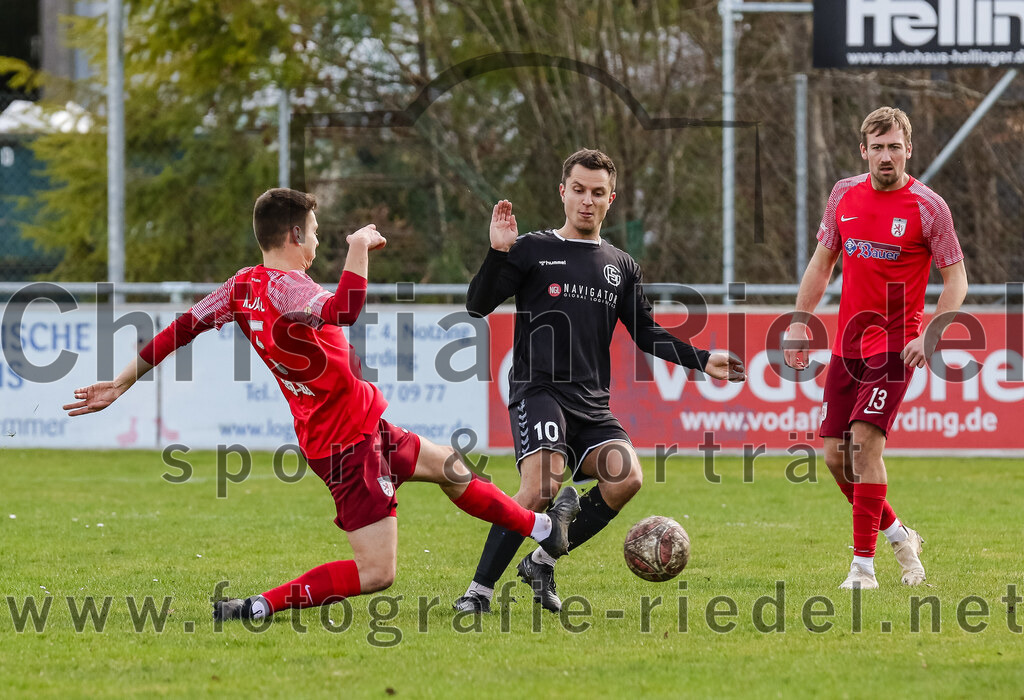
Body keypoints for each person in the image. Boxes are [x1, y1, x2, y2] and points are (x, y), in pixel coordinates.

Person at [63, 187, 580, 620]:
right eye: (312, 232)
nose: (315, 241)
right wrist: (357, 246)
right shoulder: (288, 289)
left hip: (359, 425)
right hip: (347, 446)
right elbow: (345, 309)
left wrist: (120, 382)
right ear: (294, 236)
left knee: (450, 467)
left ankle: (541, 528)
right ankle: (260, 606)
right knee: (378, 572)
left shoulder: (242, 287)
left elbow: (181, 329)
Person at [453, 149, 746, 614]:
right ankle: (479, 592)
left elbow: (646, 333)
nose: (586, 201)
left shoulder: (621, 266)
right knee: (540, 489)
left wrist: (703, 359)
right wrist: (497, 252)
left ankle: (542, 560)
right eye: (578, 190)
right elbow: (477, 304)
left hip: (591, 404)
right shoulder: (532, 249)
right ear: (563, 193)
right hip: (539, 389)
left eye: (597, 193)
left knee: (626, 477)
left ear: (612, 198)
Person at [784, 107, 968, 590]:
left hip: (893, 348)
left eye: (895, 146)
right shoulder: (843, 194)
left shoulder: (929, 207)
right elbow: (822, 263)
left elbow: (957, 279)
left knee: (865, 447)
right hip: (847, 347)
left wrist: (928, 336)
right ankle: (900, 534)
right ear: (863, 151)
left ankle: (862, 569)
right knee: (835, 458)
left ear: (909, 149)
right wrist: (800, 322)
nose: (886, 156)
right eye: (877, 147)